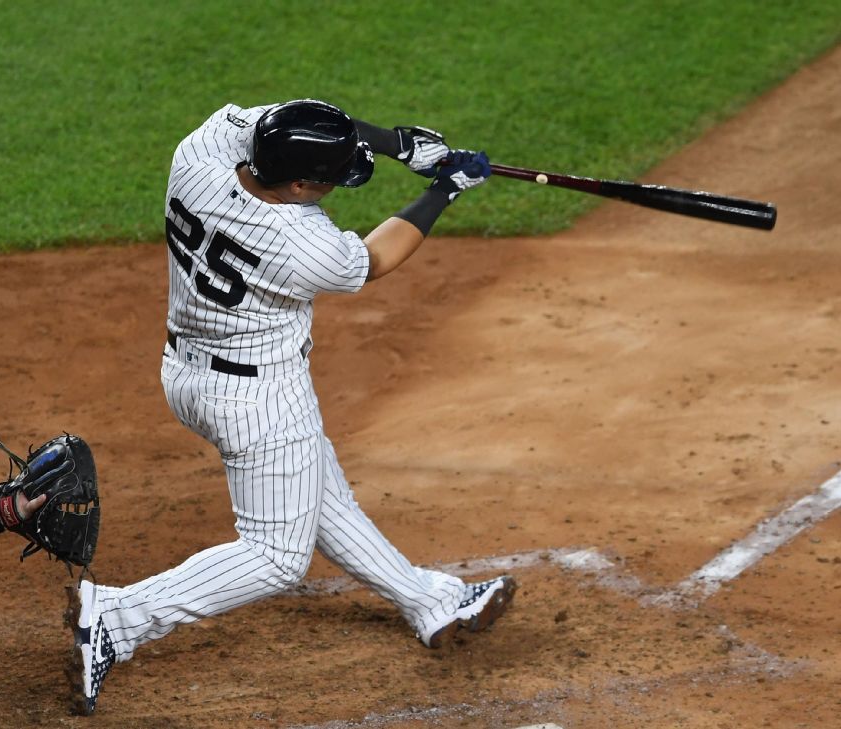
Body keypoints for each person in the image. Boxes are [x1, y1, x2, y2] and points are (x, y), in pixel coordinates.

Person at [65, 99, 516, 715]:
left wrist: (398, 143)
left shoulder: (199, 151)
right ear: (299, 183)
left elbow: (288, 116)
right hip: (258, 399)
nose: (335, 186)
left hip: (186, 372)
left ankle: (429, 599)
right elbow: (377, 258)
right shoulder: (306, 245)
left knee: (317, 492)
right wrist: (445, 188)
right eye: (328, 180)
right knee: (277, 557)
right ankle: (117, 617)